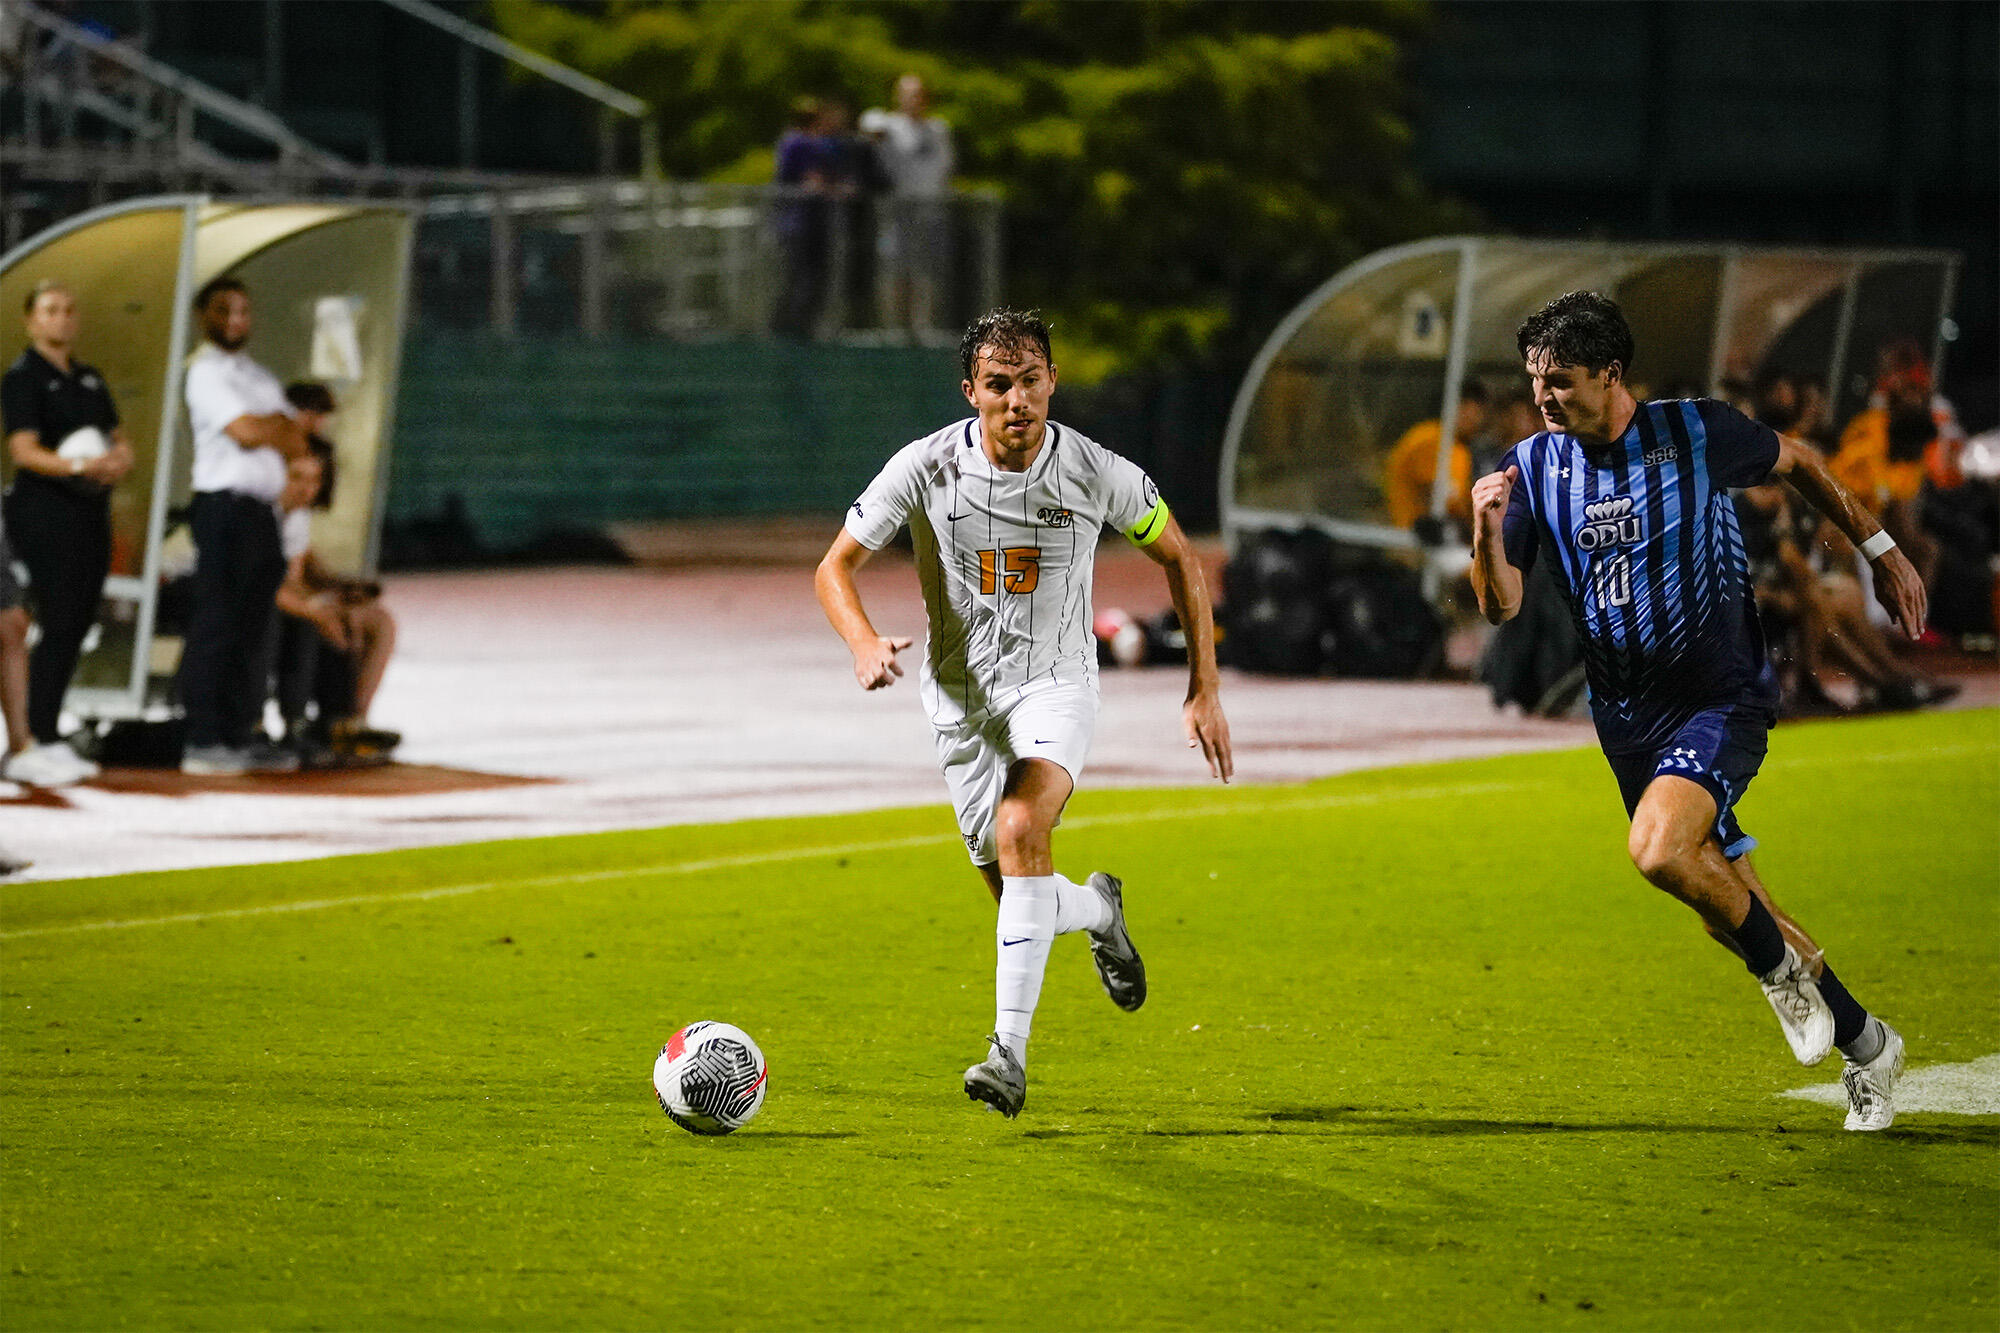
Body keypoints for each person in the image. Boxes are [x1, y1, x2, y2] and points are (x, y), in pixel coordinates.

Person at [1469, 291, 1925, 1132]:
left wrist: (1880, 547)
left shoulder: (1694, 433)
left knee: (1658, 848)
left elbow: (1800, 462)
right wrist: (1486, 533)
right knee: (1728, 905)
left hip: (1721, 697)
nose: (1544, 398)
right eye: (1536, 381)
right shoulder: (1530, 470)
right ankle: (1869, 1045)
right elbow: (1500, 606)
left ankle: (1784, 975)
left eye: (1561, 382)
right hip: (1627, 720)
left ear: (1611, 374)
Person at [816, 308, 1232, 1118]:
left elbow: (1179, 555)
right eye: (998, 384)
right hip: (961, 703)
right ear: (971, 390)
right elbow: (835, 567)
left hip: (1056, 686)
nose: (1017, 399)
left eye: (1030, 380)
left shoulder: (1093, 470)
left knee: (1018, 830)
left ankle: (1007, 1054)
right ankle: (1098, 907)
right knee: (1019, 890)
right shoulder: (925, 466)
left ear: (1052, 382)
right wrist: (863, 642)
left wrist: (1202, 686)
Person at [1, 278, 131, 782]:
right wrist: (78, 468)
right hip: (44, 513)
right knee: (44, 621)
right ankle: (31, 735)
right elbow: (24, 451)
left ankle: (45, 732)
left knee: (75, 621)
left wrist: (117, 461)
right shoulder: (23, 377)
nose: (62, 318)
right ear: (31, 320)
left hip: (90, 515)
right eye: (51, 310)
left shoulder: (90, 379)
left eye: (69, 310)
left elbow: (120, 442)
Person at [178, 275, 307, 775]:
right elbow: (250, 431)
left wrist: (272, 428)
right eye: (223, 311)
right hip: (222, 508)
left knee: (255, 628)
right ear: (204, 317)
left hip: (261, 513)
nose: (235, 320)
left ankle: (240, 732)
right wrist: (271, 427)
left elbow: (297, 438)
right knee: (217, 622)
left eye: (243, 311)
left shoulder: (257, 376)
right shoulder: (204, 373)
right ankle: (202, 738)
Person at [270, 419, 400, 766]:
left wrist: (340, 592)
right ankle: (305, 724)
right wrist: (319, 607)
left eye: (315, 480)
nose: (308, 489)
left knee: (377, 621)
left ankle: (349, 721)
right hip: (231, 598)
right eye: (297, 478)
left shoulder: (297, 516)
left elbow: (297, 574)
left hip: (278, 594)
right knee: (315, 622)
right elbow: (264, 582)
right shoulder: (256, 512)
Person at [860, 74, 956, 338]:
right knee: (893, 269)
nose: (914, 100)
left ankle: (921, 326)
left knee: (925, 270)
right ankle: (892, 328)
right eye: (908, 94)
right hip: (897, 211)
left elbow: (946, 167)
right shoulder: (889, 125)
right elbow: (867, 126)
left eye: (918, 94)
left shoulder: (937, 129)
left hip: (929, 210)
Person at [1383, 380, 1489, 538]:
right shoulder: (1430, 438)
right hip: (1411, 538)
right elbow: (1433, 497)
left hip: (1444, 540)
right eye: (1473, 411)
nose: (1477, 420)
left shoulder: (1460, 449)